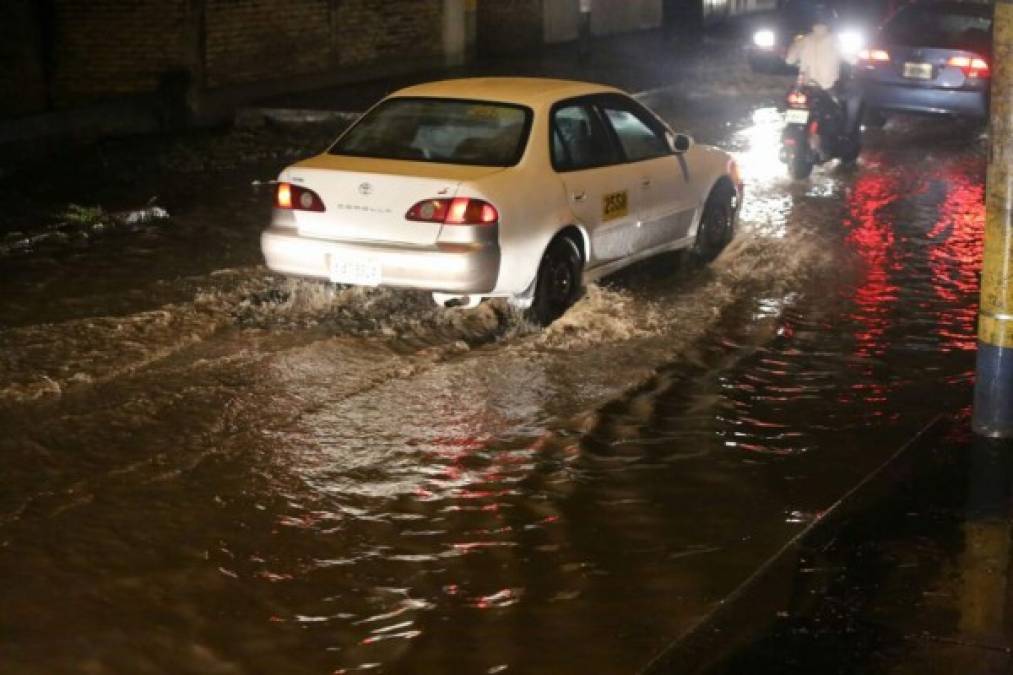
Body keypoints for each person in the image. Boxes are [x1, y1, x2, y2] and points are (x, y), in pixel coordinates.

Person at [785, 7, 862, 141]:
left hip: (804, 88)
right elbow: (852, 59)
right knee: (856, 95)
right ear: (831, 23)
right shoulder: (835, 41)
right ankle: (848, 133)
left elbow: (789, 60)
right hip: (828, 88)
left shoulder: (803, 40)